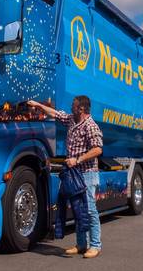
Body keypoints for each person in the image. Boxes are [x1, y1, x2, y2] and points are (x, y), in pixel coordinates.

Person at [28, 96, 103, 259]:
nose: (71, 108)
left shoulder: (90, 126)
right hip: (74, 173)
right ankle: (82, 244)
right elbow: (54, 114)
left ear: (81, 110)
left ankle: (95, 245)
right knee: (77, 209)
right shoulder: (71, 121)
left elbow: (97, 150)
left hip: (87, 173)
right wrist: (37, 105)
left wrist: (77, 160)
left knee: (89, 210)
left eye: (73, 106)